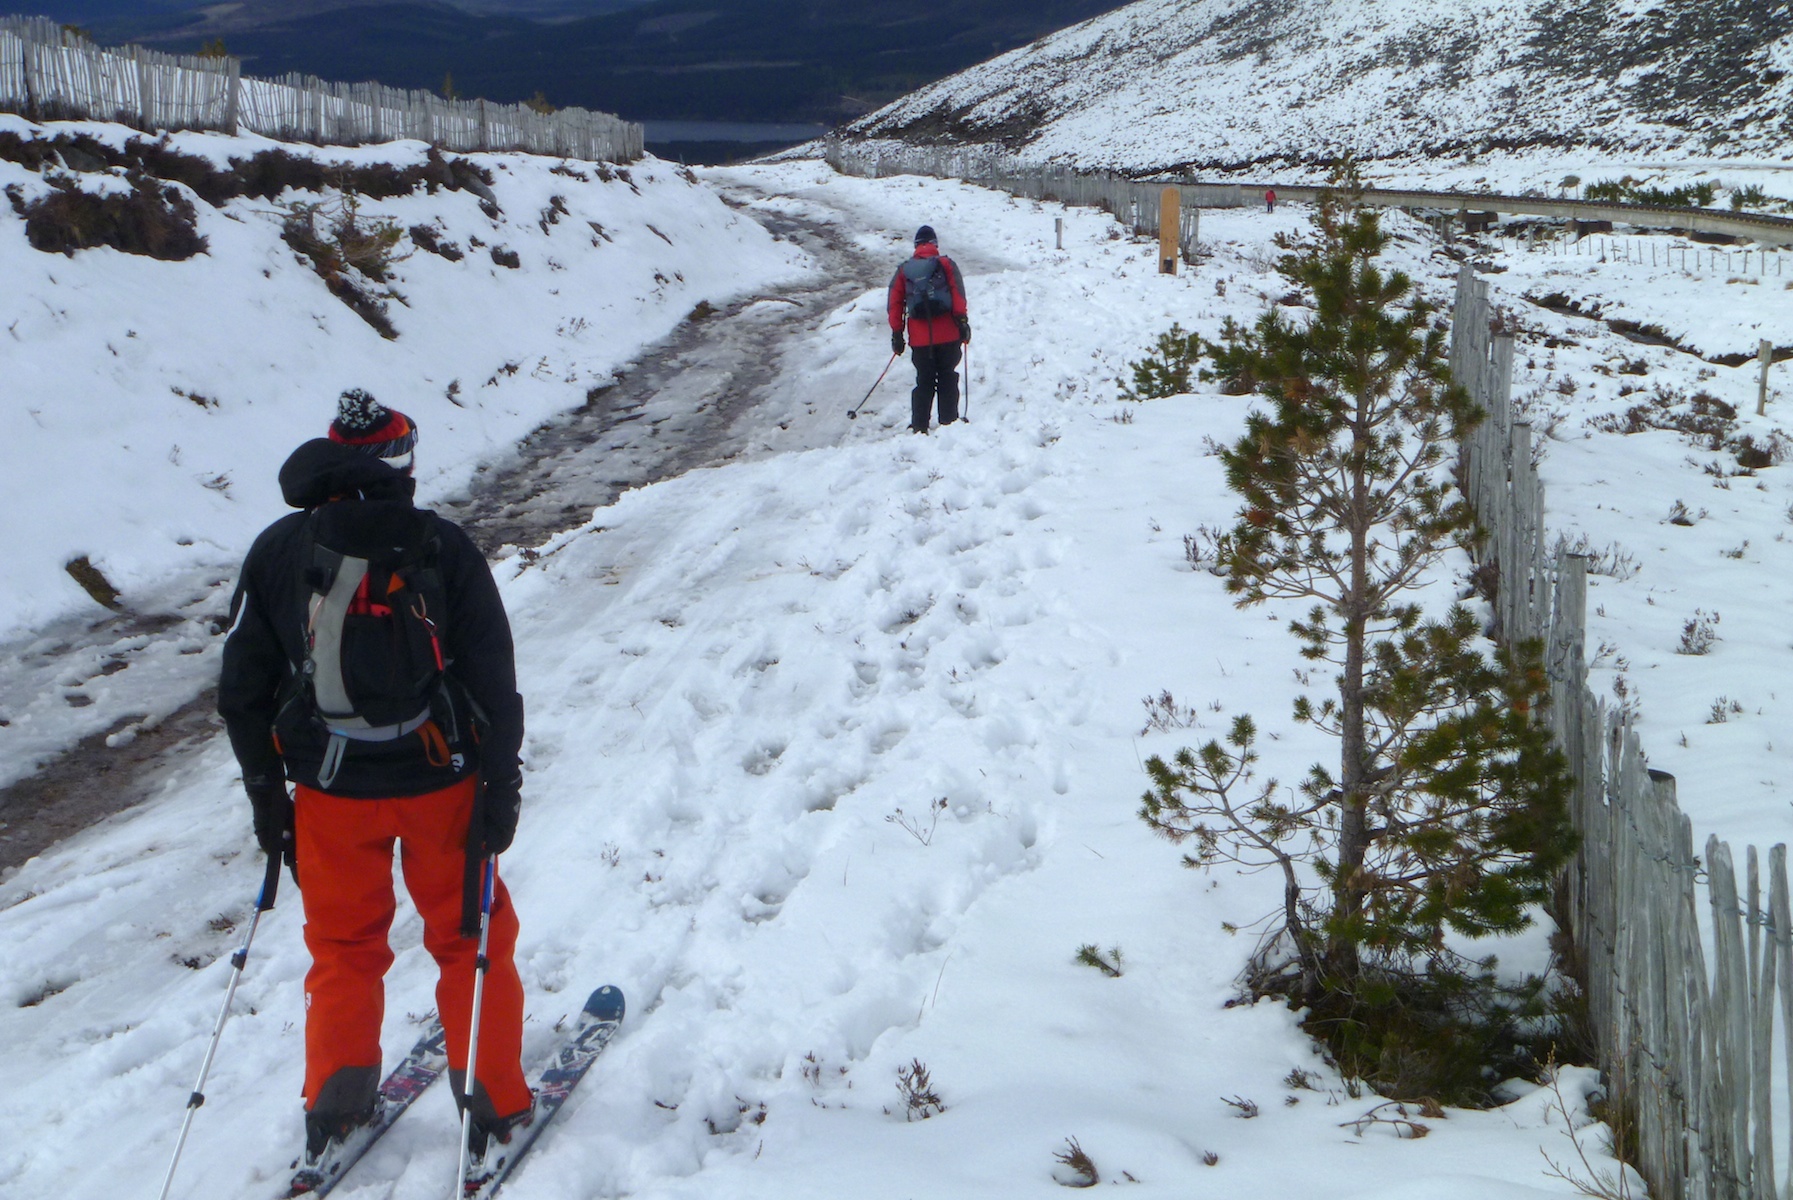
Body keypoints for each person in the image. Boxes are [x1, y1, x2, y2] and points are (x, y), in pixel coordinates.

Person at [218, 390, 531, 1173]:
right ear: (401, 465)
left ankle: (335, 1107)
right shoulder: (442, 547)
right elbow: (493, 679)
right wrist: (501, 785)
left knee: (343, 948)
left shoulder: (279, 549)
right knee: (469, 939)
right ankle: (492, 1105)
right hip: (440, 783)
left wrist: (266, 798)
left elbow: (243, 690)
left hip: (329, 793)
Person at [887, 225, 970, 434]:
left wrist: (897, 333)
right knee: (947, 377)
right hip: (948, 334)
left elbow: (894, 304)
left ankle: (920, 426)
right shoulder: (947, 264)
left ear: (916, 246)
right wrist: (962, 322)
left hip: (920, 339)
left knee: (924, 380)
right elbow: (958, 296)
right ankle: (949, 424)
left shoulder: (904, 270)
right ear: (935, 244)